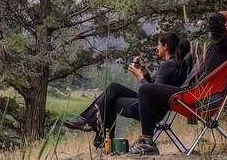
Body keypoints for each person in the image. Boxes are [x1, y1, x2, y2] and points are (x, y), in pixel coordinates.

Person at [127, 6, 227, 156]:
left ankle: (147, 143)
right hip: (203, 95)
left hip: (199, 97)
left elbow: (214, 18)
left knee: (145, 90)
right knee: (149, 90)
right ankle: (146, 141)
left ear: (226, 25)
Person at [63, 32, 191, 149]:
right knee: (113, 88)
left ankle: (100, 136)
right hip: (155, 105)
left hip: (150, 110)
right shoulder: (175, 64)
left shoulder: (167, 65)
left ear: (165, 46)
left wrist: (140, 77)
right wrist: (145, 73)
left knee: (111, 101)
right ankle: (91, 125)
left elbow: (153, 91)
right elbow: (155, 87)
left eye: (158, 44)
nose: (157, 47)